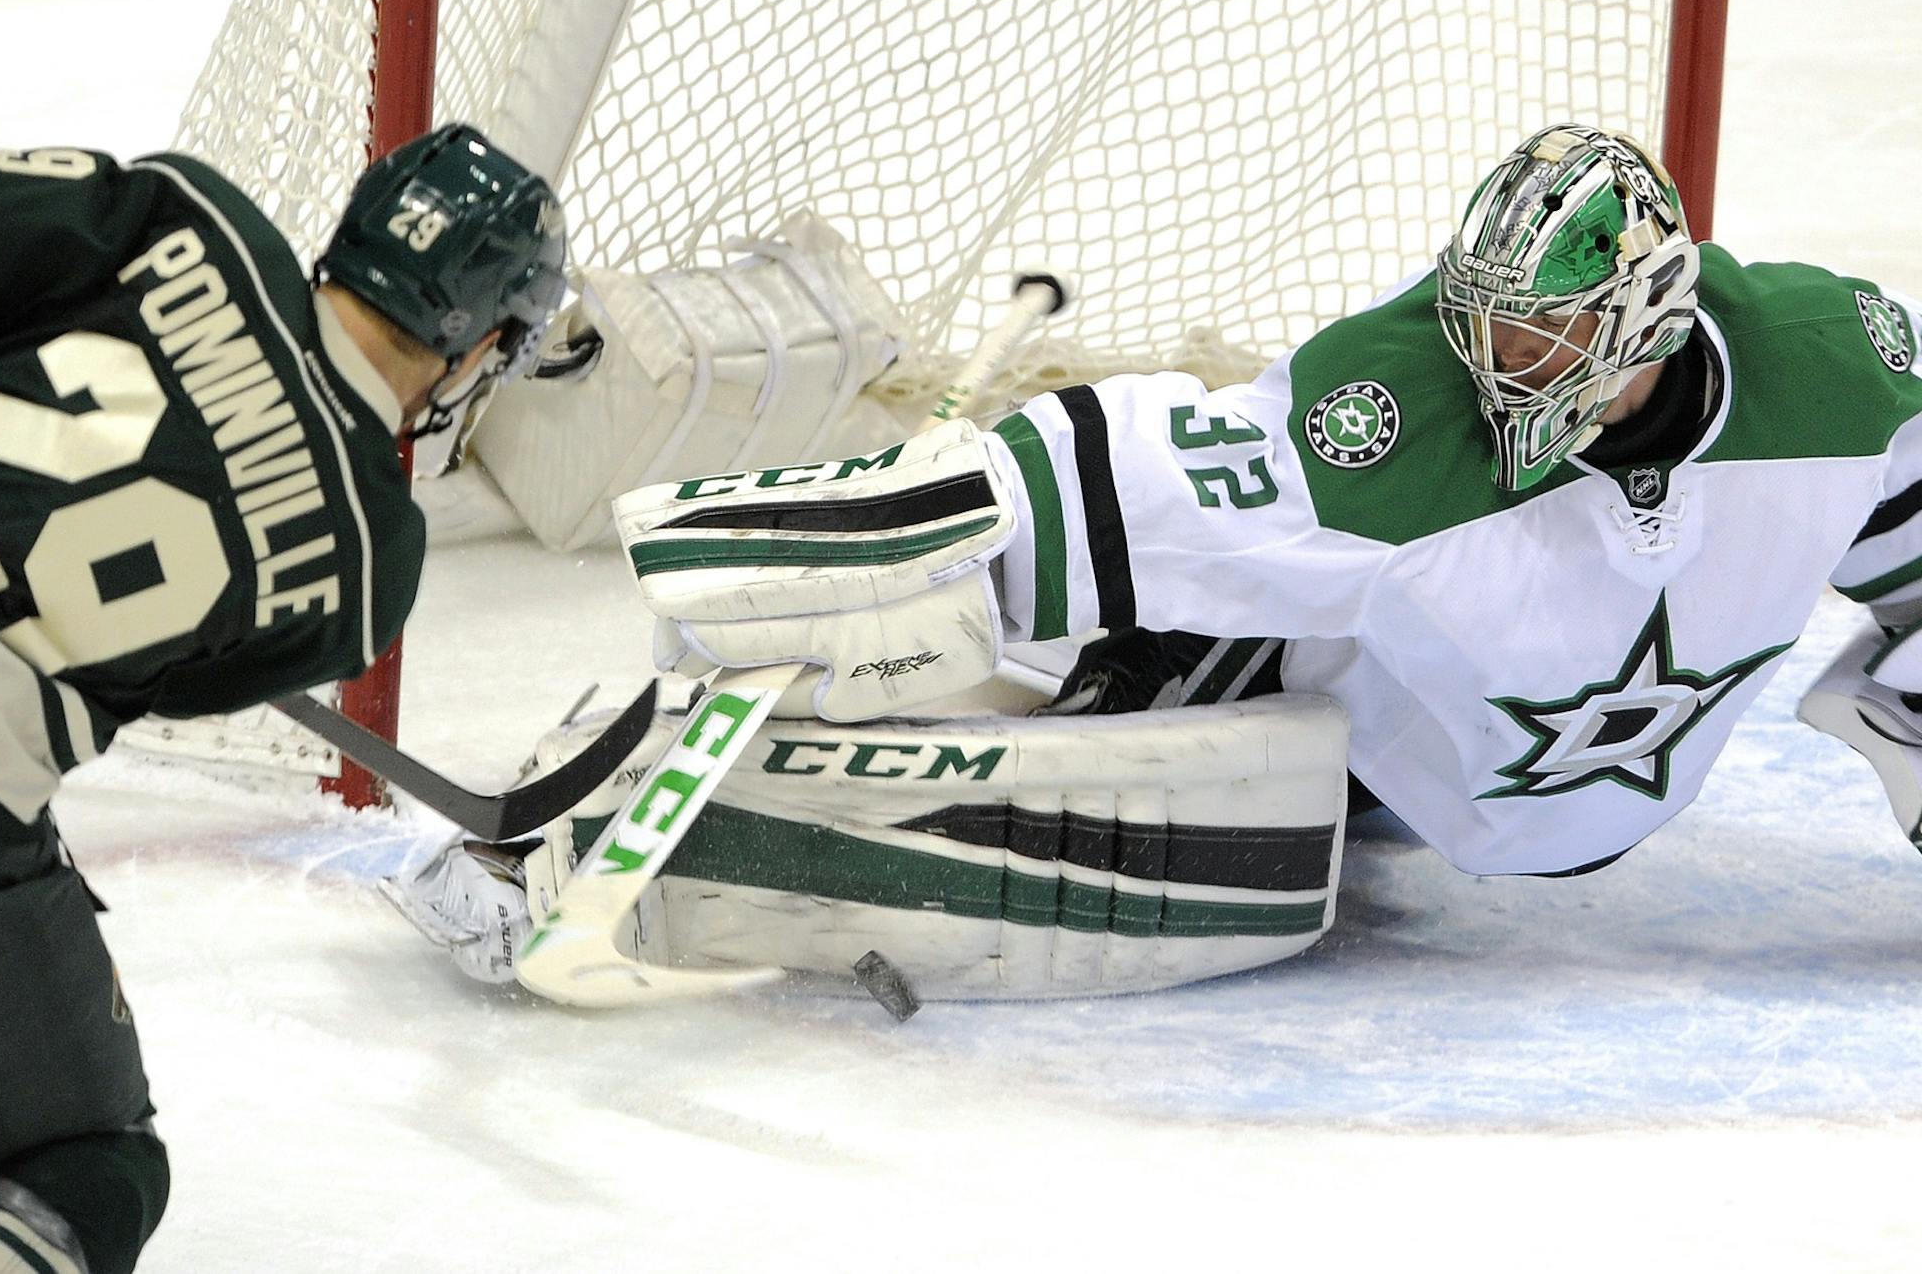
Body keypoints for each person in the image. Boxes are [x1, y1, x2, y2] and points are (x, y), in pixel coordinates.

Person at [386, 123, 1922, 999]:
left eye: (1540, 336)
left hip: (1557, 802)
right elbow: (1091, 484)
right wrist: (760, 558)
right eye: (1485, 317)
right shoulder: (1389, 419)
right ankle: (642, 825)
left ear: (1648, 323)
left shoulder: (1840, 373)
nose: (1494, 360)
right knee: (1095, 645)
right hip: (1380, 750)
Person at [0, 125, 566, 1273]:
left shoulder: (188, 213)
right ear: (476, 340)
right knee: (85, 1164)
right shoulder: (367, 565)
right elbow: (143, 676)